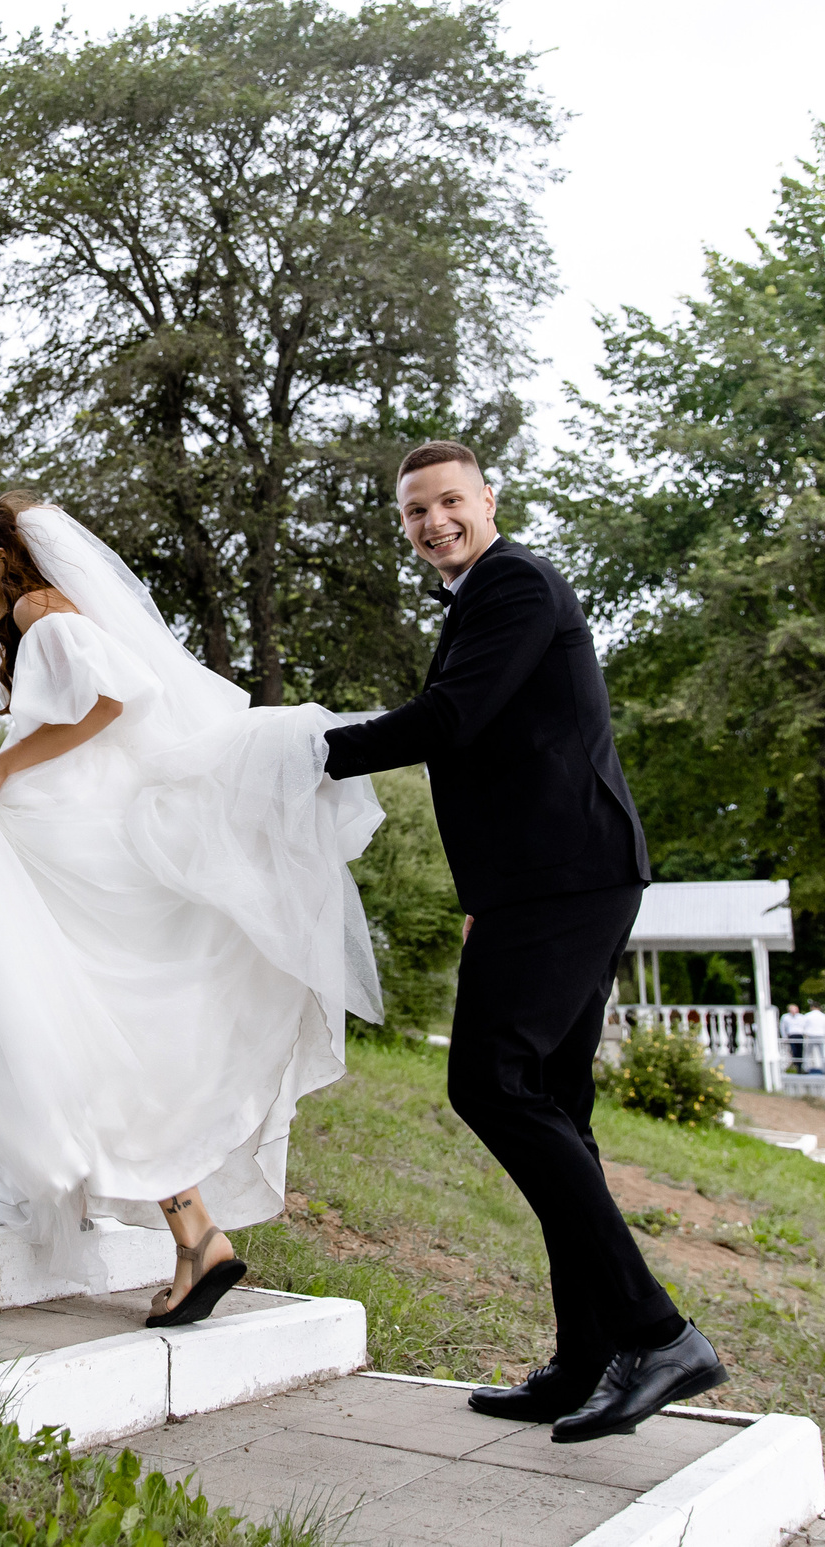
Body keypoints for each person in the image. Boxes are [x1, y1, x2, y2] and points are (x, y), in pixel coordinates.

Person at [320, 440, 728, 1443]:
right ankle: (587, 1356)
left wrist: (308, 749)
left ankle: (658, 1333)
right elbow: (500, 747)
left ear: (486, 500)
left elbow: (451, 723)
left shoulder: (514, 584)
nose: (432, 523)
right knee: (556, 1111)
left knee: (490, 1084)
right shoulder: (485, 594)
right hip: (546, 881)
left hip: (567, 877)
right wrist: (485, 890)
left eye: (447, 501)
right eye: (414, 513)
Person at [0, 492, 384, 1328]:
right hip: (85, 829)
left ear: (7, 560)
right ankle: (189, 1233)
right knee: (94, 1027)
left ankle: (176, 1229)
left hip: (73, 834)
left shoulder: (39, 608)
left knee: (68, 1018)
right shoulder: (54, 611)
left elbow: (116, 700)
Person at [781, 1003, 807, 1074]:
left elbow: (804, 1026)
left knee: (800, 1051)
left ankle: (799, 1067)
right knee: (793, 1051)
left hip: (800, 1035)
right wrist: (784, 1037)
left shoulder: (801, 1017)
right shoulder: (785, 1017)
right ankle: (794, 1066)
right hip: (791, 1035)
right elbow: (783, 1028)